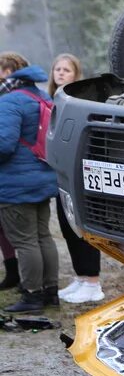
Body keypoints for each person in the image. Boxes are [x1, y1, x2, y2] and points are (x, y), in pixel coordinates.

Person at [0, 51, 59, 312]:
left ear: (7, 72)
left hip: (15, 182)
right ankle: (50, 292)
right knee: (43, 236)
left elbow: (4, 144)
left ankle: (32, 295)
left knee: (24, 241)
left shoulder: (10, 101)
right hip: (41, 176)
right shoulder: (41, 95)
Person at [49, 53, 104, 303]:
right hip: (61, 172)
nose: (60, 73)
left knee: (81, 228)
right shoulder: (52, 101)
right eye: (57, 69)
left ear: (76, 75)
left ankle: (93, 282)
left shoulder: (80, 103)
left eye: (66, 70)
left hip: (79, 174)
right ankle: (82, 278)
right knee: (66, 226)